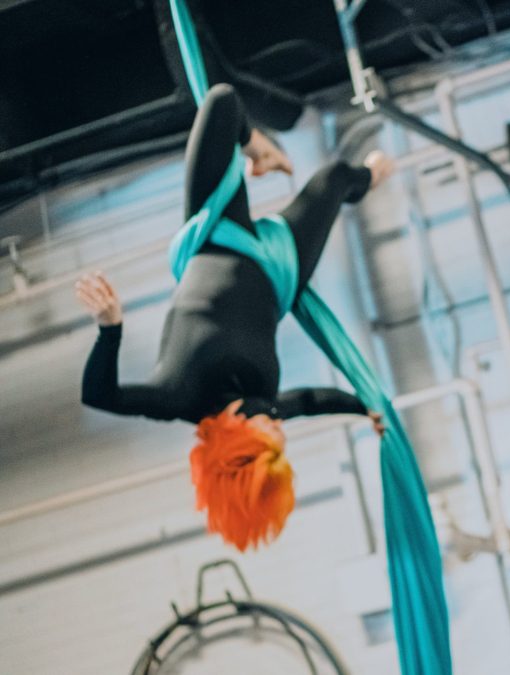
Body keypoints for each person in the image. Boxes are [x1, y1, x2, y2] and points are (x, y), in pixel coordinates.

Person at [75, 83, 390, 549]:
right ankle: (367, 176)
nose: (279, 425)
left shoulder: (179, 397)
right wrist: (366, 409)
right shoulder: (265, 405)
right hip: (280, 269)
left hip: (216, 233)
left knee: (222, 102)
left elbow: (100, 396)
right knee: (337, 179)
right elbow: (308, 401)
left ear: (238, 440)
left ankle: (255, 147)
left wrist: (110, 327)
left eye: (271, 434)